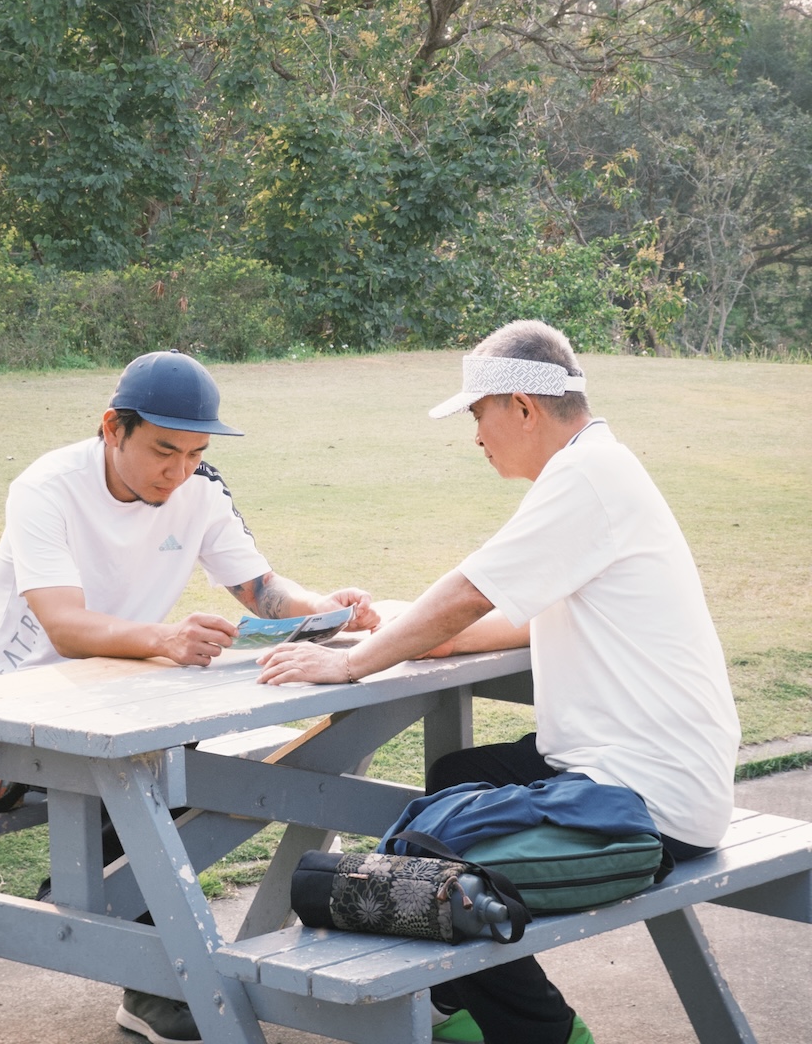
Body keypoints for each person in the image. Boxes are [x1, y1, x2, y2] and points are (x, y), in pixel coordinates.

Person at [257, 319, 741, 1044]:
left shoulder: (587, 478)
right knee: (458, 773)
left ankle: (540, 1033)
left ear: (522, 405)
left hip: (645, 800)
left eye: (478, 413)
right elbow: (492, 621)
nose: (475, 433)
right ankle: (467, 1009)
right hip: (631, 773)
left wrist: (352, 664)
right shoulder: (596, 469)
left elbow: (470, 593)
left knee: (424, 874)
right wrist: (374, 625)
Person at [0, 349, 378, 1044]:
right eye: (165, 450)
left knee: (233, 773)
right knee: (164, 775)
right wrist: (164, 639)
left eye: (196, 452)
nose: (180, 470)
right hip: (17, 714)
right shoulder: (45, 487)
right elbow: (65, 627)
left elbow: (262, 591)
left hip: (130, 701)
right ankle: (141, 952)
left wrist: (329, 611)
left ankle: (129, 925)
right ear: (112, 428)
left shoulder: (199, 488)